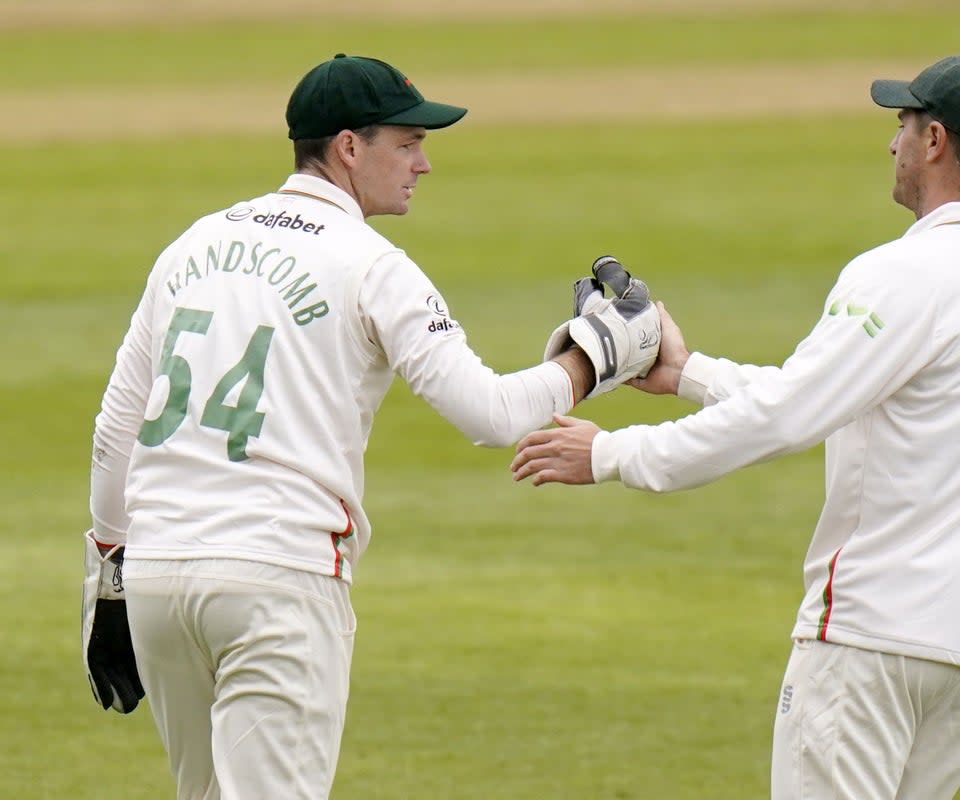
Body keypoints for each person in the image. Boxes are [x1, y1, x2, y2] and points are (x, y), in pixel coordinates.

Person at [80, 53, 659, 800]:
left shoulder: (191, 245)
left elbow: (116, 428)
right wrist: (596, 356)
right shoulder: (372, 265)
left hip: (159, 576)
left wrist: (110, 583)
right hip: (276, 577)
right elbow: (489, 413)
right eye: (407, 142)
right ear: (348, 147)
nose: (424, 163)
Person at [511, 55, 960, 799]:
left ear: (935, 141)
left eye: (902, 124)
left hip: (876, 634)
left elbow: (791, 414)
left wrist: (612, 453)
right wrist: (690, 374)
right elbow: (845, 399)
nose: (890, 143)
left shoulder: (905, 272)